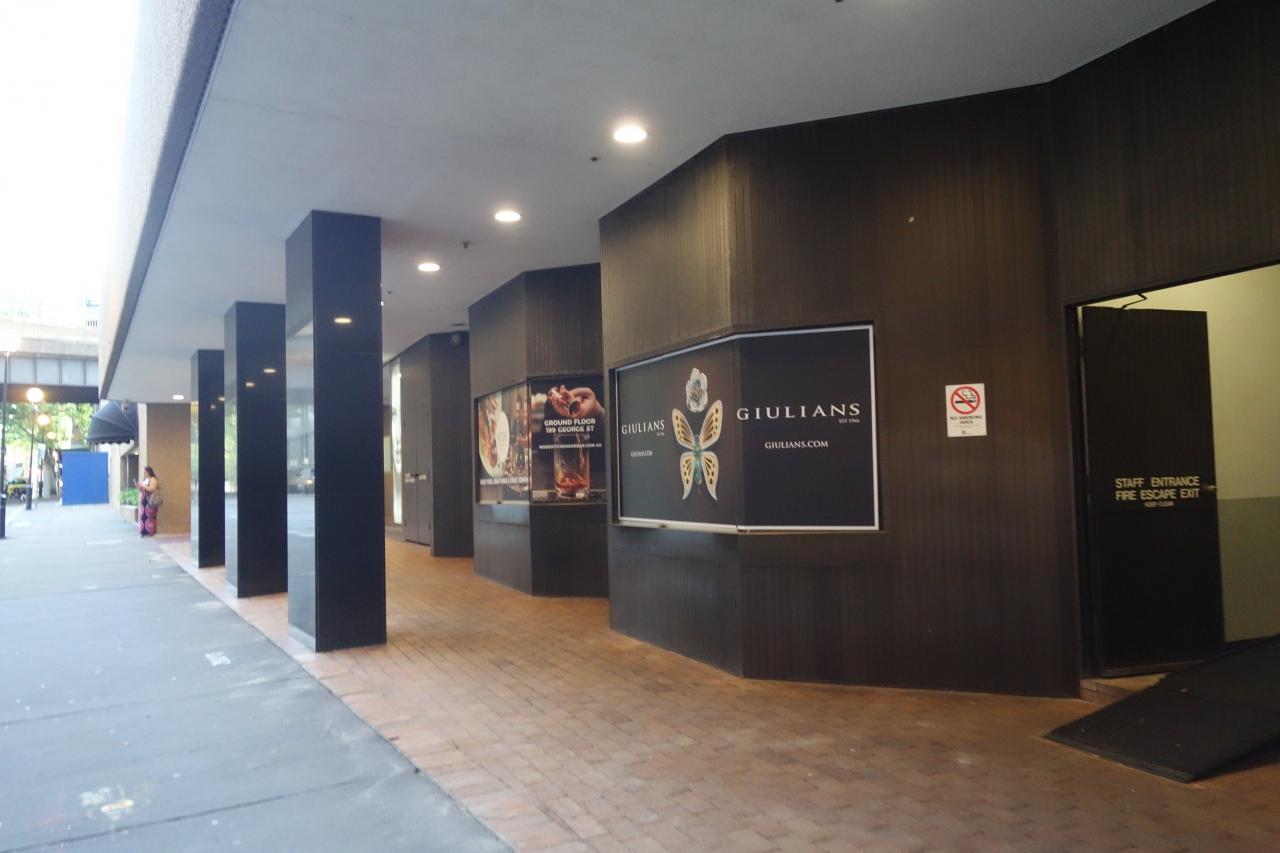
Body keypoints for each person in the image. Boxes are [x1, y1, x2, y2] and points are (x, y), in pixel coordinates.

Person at [137, 466, 160, 537]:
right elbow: (142, 490)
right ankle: (143, 531)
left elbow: (152, 489)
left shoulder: (153, 479)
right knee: (143, 516)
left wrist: (143, 486)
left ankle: (150, 531)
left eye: (145, 472)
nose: (144, 473)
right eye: (144, 472)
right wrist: (139, 487)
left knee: (150, 516)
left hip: (150, 500)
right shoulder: (145, 480)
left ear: (149, 472)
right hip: (144, 501)